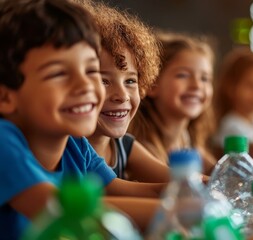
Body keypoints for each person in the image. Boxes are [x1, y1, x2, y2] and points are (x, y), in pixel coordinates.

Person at [0, 0, 160, 238]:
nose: (85, 85)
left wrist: (203, 192)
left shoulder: (74, 144)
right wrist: (182, 211)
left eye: (91, 70)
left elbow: (120, 192)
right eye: (59, 73)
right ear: (5, 97)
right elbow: (62, 210)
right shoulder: (4, 143)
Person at [77, 0, 171, 183]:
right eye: (103, 81)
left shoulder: (124, 146)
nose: (122, 95)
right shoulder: (69, 148)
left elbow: (176, 182)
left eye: (130, 81)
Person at [128, 31, 217, 175]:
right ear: (152, 85)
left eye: (205, 78)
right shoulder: (141, 144)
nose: (197, 86)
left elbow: (219, 172)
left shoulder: (186, 137)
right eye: (183, 75)